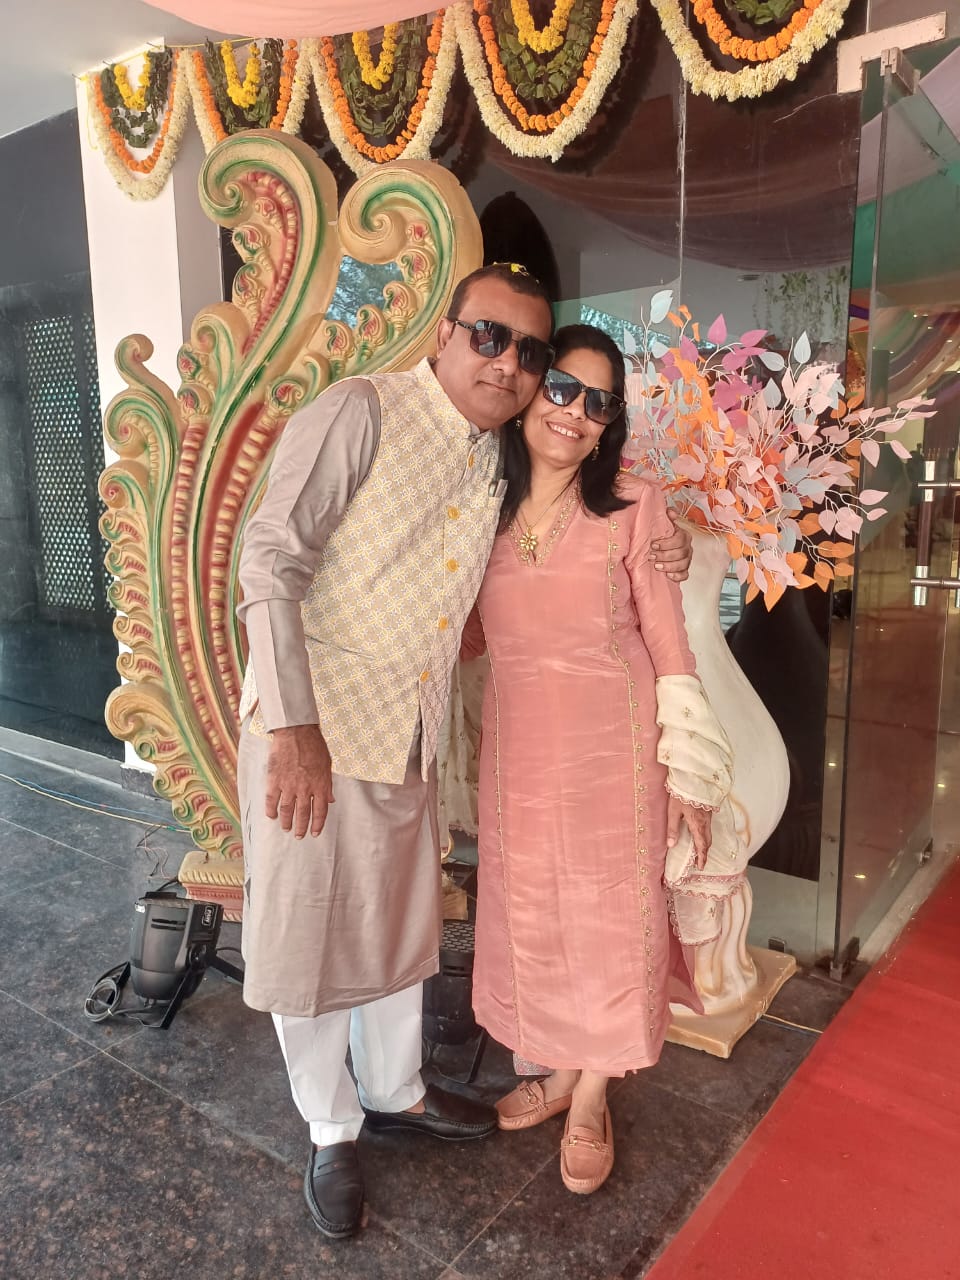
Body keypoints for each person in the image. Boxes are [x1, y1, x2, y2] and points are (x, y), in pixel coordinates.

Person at [234, 267, 694, 1238]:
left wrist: (668, 547)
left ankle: (397, 1088)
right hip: (317, 730)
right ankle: (331, 1127)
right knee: (312, 936)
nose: (511, 365)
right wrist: (290, 726)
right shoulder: (360, 411)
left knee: (401, 931)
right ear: (444, 333)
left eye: (531, 353)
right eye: (491, 336)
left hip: (411, 736)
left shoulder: (497, 462)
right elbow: (270, 559)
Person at [462, 323, 733, 1195]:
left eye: (599, 402)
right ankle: (557, 1065)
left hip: (616, 753)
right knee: (535, 918)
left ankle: (590, 1095)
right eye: (562, 389)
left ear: (611, 421)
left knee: (611, 923)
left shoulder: (631, 504)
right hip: (517, 754)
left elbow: (669, 639)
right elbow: (465, 633)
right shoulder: (479, 501)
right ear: (530, 391)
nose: (575, 412)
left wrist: (688, 768)